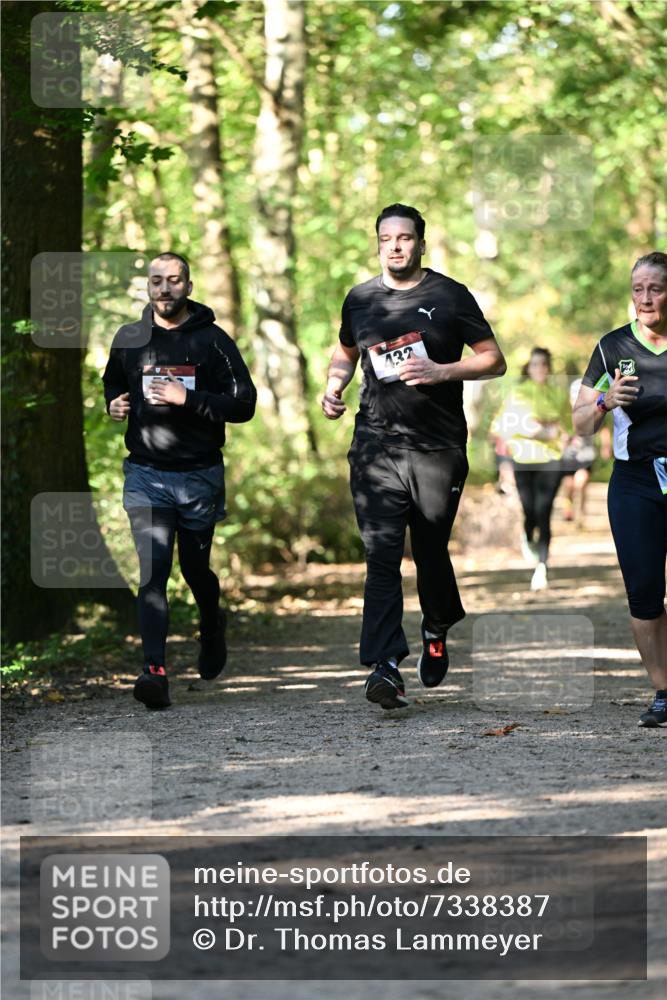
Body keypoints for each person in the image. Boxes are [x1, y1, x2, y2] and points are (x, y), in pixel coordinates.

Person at [321, 203, 506, 710]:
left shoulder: (449, 295)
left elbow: (494, 360)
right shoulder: (359, 299)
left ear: (421, 243)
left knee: (429, 550)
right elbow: (345, 351)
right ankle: (384, 666)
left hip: (438, 447)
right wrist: (334, 387)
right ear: (377, 244)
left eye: (405, 238)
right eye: (386, 239)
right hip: (375, 445)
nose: (396, 246)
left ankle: (437, 625)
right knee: (381, 555)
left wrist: (441, 371)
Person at [103, 253, 256, 710]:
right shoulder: (129, 338)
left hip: (199, 476)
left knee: (194, 570)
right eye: (156, 281)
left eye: (173, 281)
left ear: (188, 285)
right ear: (147, 287)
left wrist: (185, 397)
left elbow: (244, 404)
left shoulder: (212, 341)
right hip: (145, 474)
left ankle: (211, 620)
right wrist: (114, 404)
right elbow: (112, 382)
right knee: (153, 572)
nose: (164, 289)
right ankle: (155, 671)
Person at [573, 251, 667, 728]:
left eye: (656, 289)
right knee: (645, 592)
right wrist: (606, 402)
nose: (646, 299)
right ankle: (663, 690)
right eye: (638, 290)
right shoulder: (613, 346)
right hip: (636, 482)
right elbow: (581, 423)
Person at [492, 347, 569, 591]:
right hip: (523, 459)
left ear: (548, 367)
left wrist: (560, 435)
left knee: (544, 510)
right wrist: (533, 430)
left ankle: (541, 567)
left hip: (551, 459)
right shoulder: (517, 393)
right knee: (530, 511)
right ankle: (527, 535)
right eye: (535, 364)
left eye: (544, 364)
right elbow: (502, 426)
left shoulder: (558, 393)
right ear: (529, 368)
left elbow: (567, 426)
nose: (540, 369)